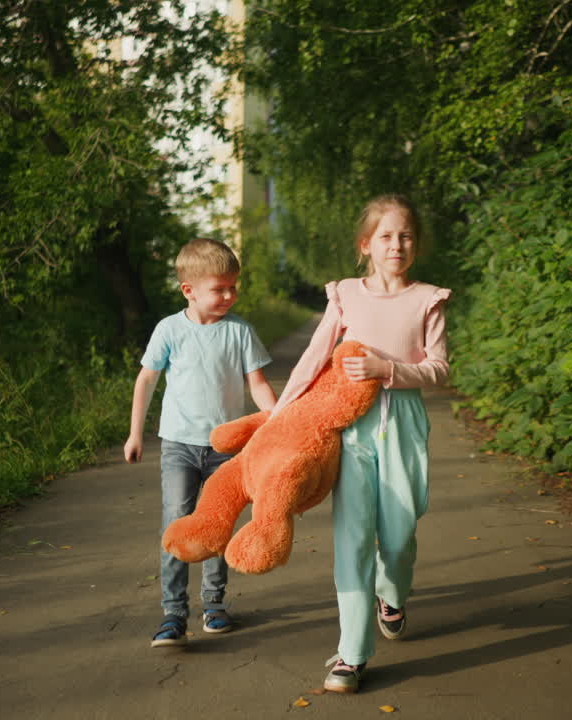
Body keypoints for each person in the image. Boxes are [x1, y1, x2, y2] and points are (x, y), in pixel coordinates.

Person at [273, 194, 450, 693]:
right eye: (387, 236)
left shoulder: (428, 299)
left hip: (405, 422)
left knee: (399, 533)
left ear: (415, 244)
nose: (397, 244)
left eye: (406, 235)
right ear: (366, 244)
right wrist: (280, 415)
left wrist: (387, 370)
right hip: (348, 427)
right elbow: (313, 356)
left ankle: (392, 594)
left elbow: (439, 368)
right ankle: (352, 654)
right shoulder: (346, 294)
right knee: (351, 537)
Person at [124, 237, 277, 648]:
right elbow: (146, 380)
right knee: (177, 521)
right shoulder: (169, 330)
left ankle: (214, 604)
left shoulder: (240, 331)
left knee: (215, 524)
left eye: (233, 287)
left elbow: (257, 383)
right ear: (189, 290)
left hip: (225, 447)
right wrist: (135, 433)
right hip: (178, 445)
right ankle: (173, 613)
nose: (229, 295)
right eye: (219, 289)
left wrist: (275, 423)